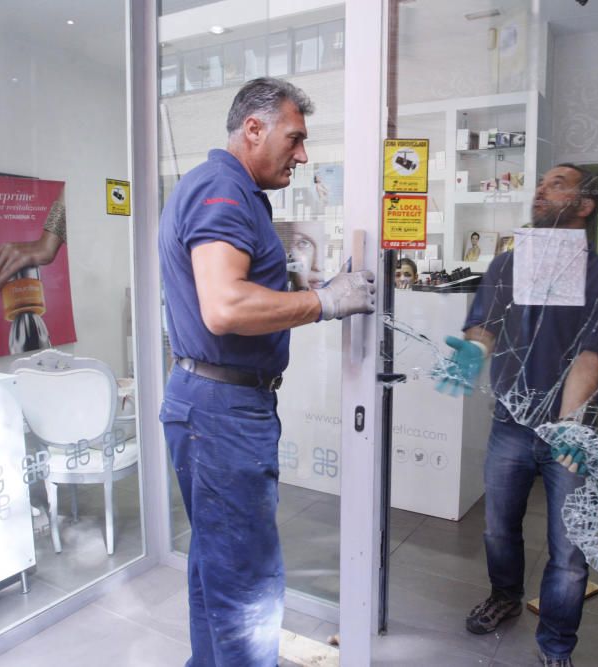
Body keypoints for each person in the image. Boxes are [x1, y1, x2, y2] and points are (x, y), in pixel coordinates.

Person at [157, 78, 375, 667]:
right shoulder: (222, 188)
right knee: (247, 584)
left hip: (211, 404)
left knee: (217, 568)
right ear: (253, 129)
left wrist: (297, 287)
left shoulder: (234, 191)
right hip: (220, 413)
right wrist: (326, 302)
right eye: (295, 138)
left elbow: (233, 289)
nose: (303, 156)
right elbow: (225, 306)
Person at [437, 164, 598, 667]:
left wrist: (568, 424)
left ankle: (556, 646)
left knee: (568, 551)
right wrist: (472, 354)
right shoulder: (505, 267)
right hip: (509, 425)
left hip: (569, 430)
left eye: (556, 184)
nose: (541, 190)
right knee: (499, 527)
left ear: (584, 206)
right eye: (541, 183)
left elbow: (591, 357)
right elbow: (483, 327)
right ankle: (504, 596)